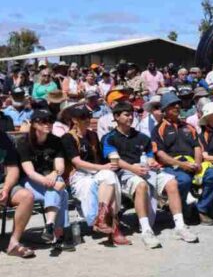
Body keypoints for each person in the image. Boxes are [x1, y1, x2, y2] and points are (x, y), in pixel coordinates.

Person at [102, 101, 198, 248]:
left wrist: (151, 162)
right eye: (126, 115)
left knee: (171, 182)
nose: (130, 118)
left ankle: (180, 226)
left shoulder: (142, 137)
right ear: (116, 117)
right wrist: (134, 169)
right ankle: (146, 230)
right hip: (125, 173)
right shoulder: (109, 138)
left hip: (146, 170)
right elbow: (115, 161)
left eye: (132, 115)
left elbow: (149, 156)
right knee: (140, 185)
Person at [152, 92, 213, 225]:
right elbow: (160, 155)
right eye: (172, 105)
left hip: (193, 163)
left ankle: (201, 209)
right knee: (183, 180)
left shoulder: (189, 127)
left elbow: (197, 147)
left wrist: (197, 164)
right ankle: (184, 210)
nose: (177, 107)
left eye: (178, 104)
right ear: (165, 110)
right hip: (172, 166)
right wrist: (181, 164)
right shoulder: (158, 130)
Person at [62, 105, 129, 245]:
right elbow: (77, 162)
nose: (87, 119)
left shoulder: (92, 135)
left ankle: (102, 218)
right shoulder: (67, 137)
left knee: (110, 176)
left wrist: (111, 163)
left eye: (89, 116)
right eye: (83, 117)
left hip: (96, 172)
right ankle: (114, 228)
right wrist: (102, 167)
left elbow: (101, 158)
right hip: (78, 175)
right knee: (101, 180)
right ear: (74, 120)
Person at [17, 110, 74, 251]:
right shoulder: (24, 142)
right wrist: (50, 182)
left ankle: (50, 226)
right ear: (34, 124)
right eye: (43, 121)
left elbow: (60, 165)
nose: (48, 124)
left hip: (50, 179)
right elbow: (29, 172)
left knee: (60, 190)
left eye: (50, 120)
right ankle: (61, 233)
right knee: (61, 192)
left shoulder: (55, 141)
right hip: (30, 182)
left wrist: (54, 174)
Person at [0, 131, 37, 258]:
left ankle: (13, 244)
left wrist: (5, 188)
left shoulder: (4, 138)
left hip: (3, 184)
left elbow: (13, 170)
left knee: (27, 197)